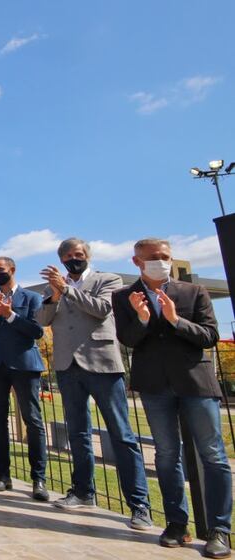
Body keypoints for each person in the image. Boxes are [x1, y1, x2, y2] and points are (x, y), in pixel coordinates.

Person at [112, 238, 231, 557]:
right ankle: (177, 523)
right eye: (153, 257)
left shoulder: (194, 292)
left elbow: (209, 335)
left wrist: (176, 319)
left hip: (195, 382)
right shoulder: (124, 297)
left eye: (165, 256)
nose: (160, 261)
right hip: (154, 384)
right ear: (136, 261)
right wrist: (144, 319)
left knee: (213, 454)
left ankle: (220, 529)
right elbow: (127, 339)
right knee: (166, 454)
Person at [38, 238, 152, 529]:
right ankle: (83, 491)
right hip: (67, 365)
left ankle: (140, 505)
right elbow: (43, 320)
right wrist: (53, 295)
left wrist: (67, 290)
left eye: (78, 254)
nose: (73, 259)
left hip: (101, 363)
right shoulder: (57, 287)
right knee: (78, 433)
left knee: (121, 435)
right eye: (67, 256)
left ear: (87, 255)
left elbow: (101, 309)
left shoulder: (107, 279)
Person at [0, 257, 48, 501]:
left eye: (1, 270)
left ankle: (39, 479)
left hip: (24, 364)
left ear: (12, 270)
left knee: (33, 420)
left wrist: (11, 315)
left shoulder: (32, 298)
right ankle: (2, 475)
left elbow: (36, 331)